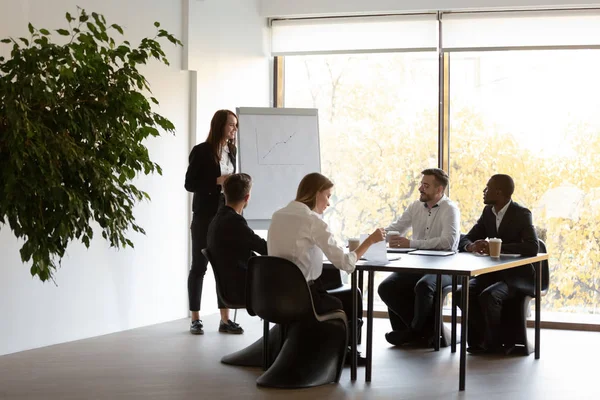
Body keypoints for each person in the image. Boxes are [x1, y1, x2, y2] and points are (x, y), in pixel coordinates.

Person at [267, 172, 385, 363]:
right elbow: (345, 263)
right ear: (316, 193)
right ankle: (340, 354)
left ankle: (334, 350)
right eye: (328, 196)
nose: (329, 203)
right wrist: (370, 240)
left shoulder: (278, 215)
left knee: (345, 295)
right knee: (339, 303)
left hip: (274, 294)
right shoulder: (312, 221)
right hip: (303, 297)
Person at [456, 174, 538, 354]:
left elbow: (533, 247)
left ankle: (494, 343)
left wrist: (498, 248)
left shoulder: (522, 214)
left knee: (489, 296)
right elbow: (467, 237)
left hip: (517, 275)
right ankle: (480, 339)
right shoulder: (488, 212)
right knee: (462, 293)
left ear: (499, 192)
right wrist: (471, 246)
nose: (483, 192)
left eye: (487, 188)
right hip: (492, 272)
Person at [377, 168, 460, 347]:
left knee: (424, 286)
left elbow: (448, 242)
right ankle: (423, 332)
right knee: (386, 287)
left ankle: (415, 332)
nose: (421, 189)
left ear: (439, 190)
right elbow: (396, 228)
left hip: (446, 267)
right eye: (421, 184)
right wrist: (370, 240)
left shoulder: (450, 209)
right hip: (417, 264)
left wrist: (411, 244)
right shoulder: (415, 206)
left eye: (426, 185)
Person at [184, 109, 238, 335]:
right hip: (204, 216)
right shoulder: (202, 151)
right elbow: (189, 184)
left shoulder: (232, 151)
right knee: (199, 266)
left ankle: (225, 320)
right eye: (231, 125)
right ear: (219, 126)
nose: (234, 129)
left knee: (223, 267)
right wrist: (216, 181)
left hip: (224, 216)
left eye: (235, 126)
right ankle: (195, 318)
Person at [207, 173, 268, 334]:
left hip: (229, 287)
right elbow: (263, 248)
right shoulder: (235, 222)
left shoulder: (217, 219)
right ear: (247, 197)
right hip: (242, 289)